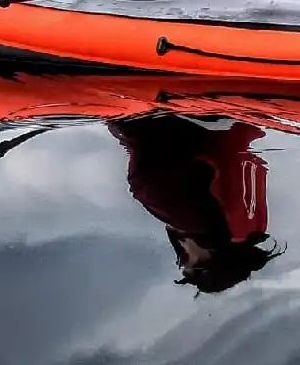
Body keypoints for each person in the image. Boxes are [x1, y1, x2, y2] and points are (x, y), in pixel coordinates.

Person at [111, 113, 285, 294]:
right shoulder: (197, 223)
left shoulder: (254, 228)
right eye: (187, 260)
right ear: (208, 259)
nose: (181, 253)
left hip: (240, 122)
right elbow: (143, 182)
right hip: (184, 120)